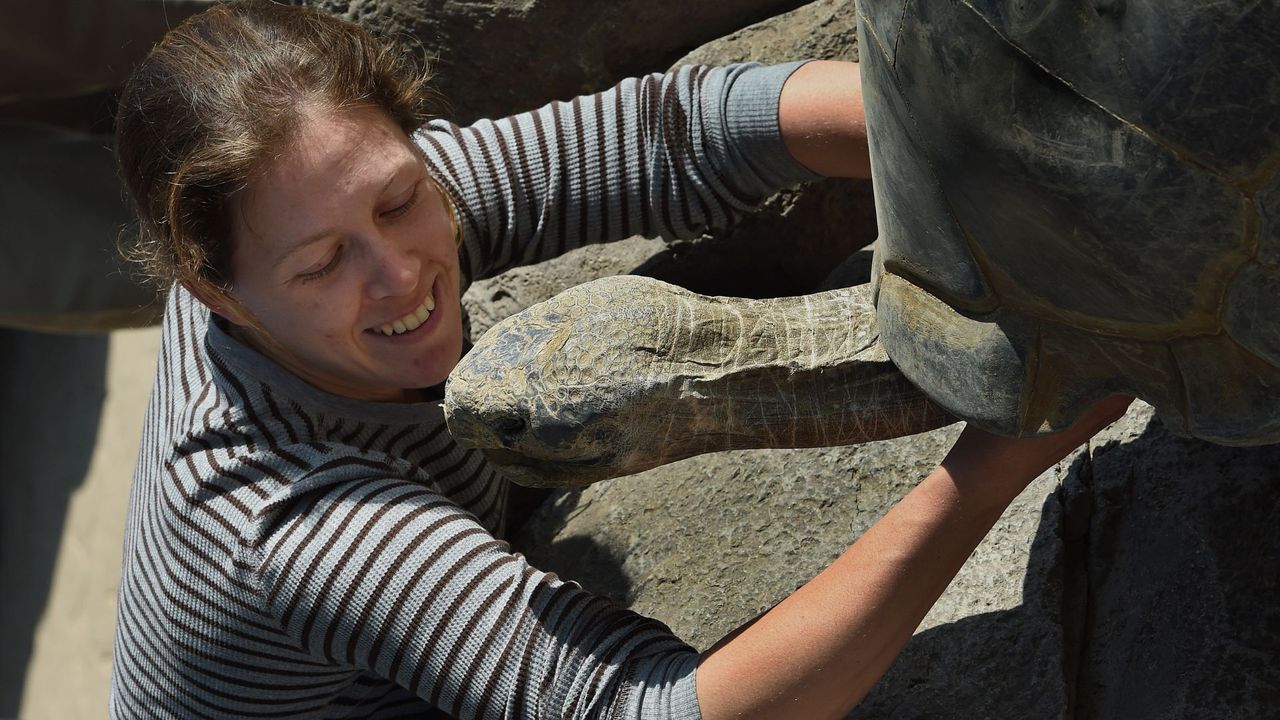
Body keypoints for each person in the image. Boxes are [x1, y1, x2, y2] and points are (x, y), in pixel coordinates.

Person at [108, 2, 1131, 718]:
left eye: (399, 198)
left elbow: (668, 136)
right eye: (327, 263)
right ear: (211, 292)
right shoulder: (291, 522)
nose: (401, 273)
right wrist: (994, 459)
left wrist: (984, 136)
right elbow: (662, 713)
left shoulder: (319, 200)